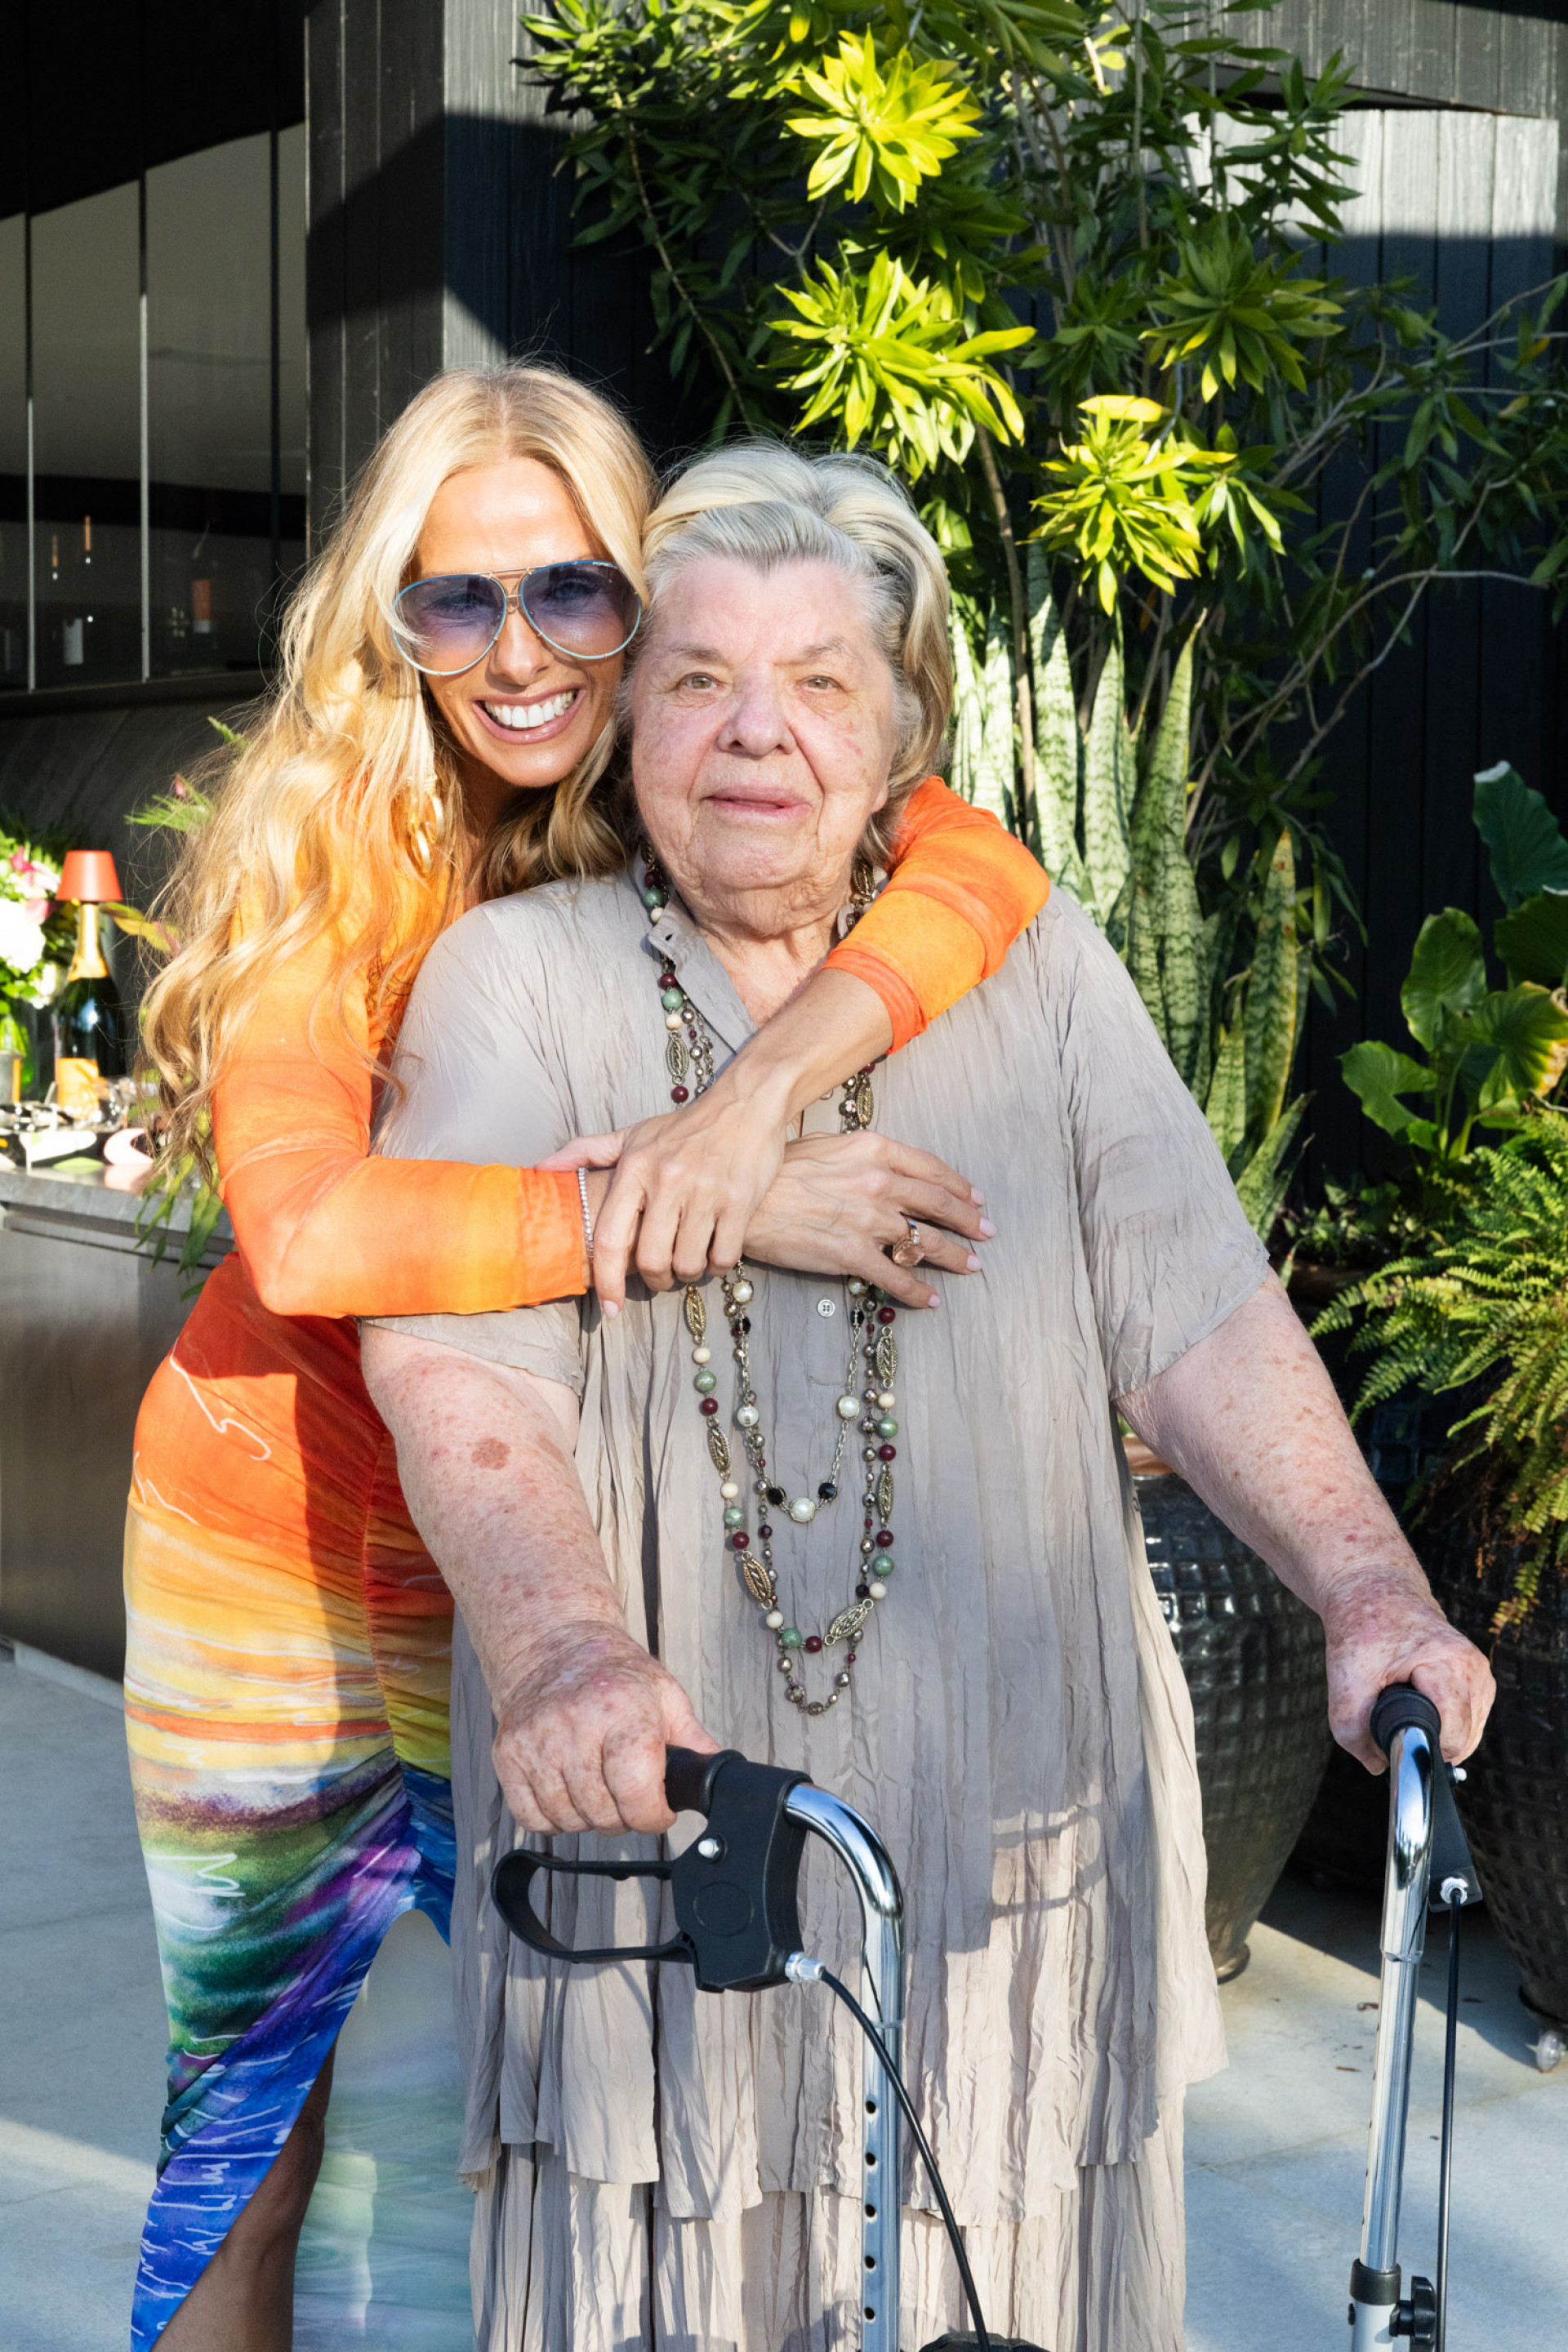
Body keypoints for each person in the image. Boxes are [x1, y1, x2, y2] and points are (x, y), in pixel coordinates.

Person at [360, 442, 1496, 2352]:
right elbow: (455, 1355)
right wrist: (562, 1648)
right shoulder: (515, 978)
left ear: (903, 739)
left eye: (819, 681)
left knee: (1009, 2263)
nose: (757, 731)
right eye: (701, 678)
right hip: (672, 1816)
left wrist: (1370, 1586)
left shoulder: (1034, 967)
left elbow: (1199, 1309)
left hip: (1014, 1822)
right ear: (629, 723)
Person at [123, 371, 1049, 2351]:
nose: (521, 651)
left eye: (572, 589)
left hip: (543, 1519)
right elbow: (309, 1233)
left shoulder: (687, 764)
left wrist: (756, 1103)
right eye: (457, 599)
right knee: (254, 2118)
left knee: (629, 2066)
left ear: (647, 593)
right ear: (392, 617)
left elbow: (982, 869)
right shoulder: (329, 845)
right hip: (278, 1536)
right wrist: (729, 1198)